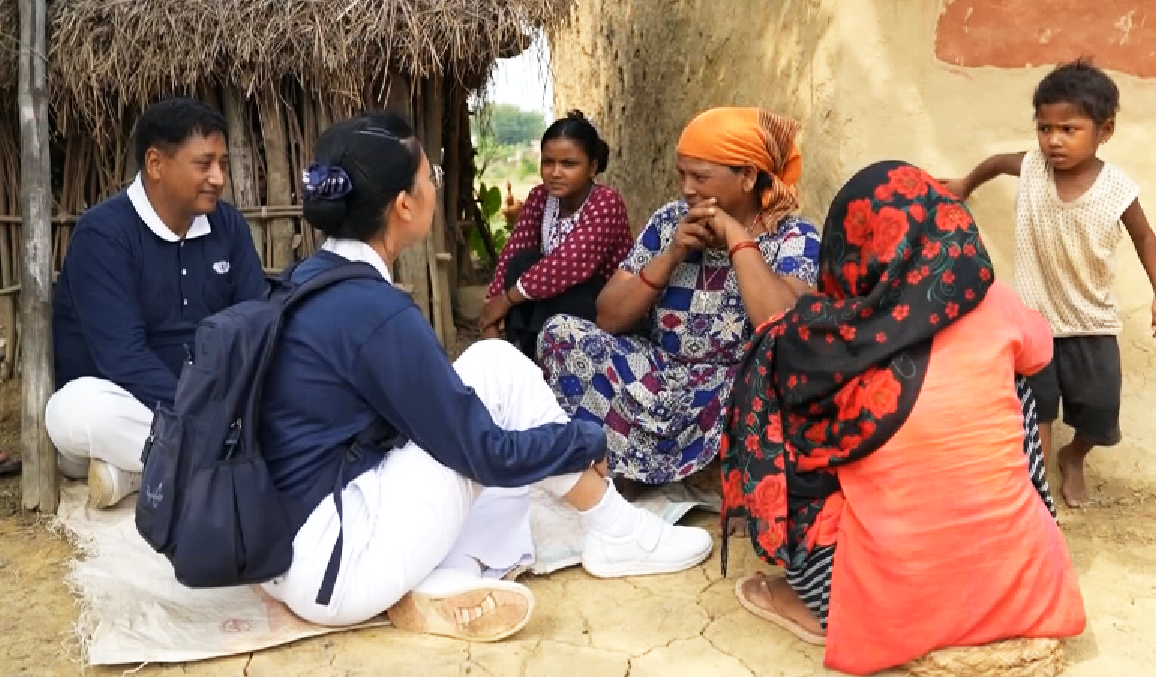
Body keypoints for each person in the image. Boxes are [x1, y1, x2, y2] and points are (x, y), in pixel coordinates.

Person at [258, 111, 713, 638]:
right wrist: (582, 438)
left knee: (483, 400)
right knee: (496, 375)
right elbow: (487, 454)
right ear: (404, 205)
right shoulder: (377, 311)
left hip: (287, 554)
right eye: (431, 177)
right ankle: (619, 531)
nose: (434, 187)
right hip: (338, 566)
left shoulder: (308, 278)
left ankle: (452, 574)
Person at [723, 161, 1085, 675]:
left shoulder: (818, 342)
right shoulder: (993, 302)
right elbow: (1041, 348)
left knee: (783, 419)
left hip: (882, 605)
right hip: (1025, 590)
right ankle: (1005, 554)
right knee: (1018, 384)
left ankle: (815, 604)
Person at [539, 107, 821, 485]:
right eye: (682, 174)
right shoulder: (669, 221)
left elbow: (785, 328)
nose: (687, 188)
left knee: (774, 377)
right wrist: (671, 255)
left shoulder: (794, 237)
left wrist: (738, 238)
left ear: (749, 177)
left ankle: (721, 474)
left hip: (728, 392)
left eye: (700, 177)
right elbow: (607, 317)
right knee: (560, 334)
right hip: (658, 377)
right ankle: (633, 468)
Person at [942, 59, 1156, 508]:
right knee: (1038, 410)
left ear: (1104, 130)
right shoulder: (1031, 168)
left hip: (1092, 322)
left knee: (1100, 416)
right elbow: (995, 163)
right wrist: (965, 184)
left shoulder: (1116, 189)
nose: (1054, 140)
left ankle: (1074, 455)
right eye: (1045, 128)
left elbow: (1145, 236)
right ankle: (1037, 495)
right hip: (1034, 319)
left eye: (1069, 129)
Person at [45, 98, 267, 508]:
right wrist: (209, 414)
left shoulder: (228, 225)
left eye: (222, 163)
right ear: (155, 164)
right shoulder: (105, 234)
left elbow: (257, 321)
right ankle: (230, 457)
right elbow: (123, 358)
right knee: (72, 411)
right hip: (129, 400)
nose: (218, 178)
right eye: (204, 164)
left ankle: (140, 470)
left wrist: (235, 398)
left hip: (212, 404)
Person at [480, 111, 633, 358]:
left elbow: (569, 265)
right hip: (553, 298)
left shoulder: (606, 203)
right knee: (522, 262)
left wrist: (506, 300)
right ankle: (523, 355)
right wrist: (491, 310)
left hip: (600, 304)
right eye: (548, 162)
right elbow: (514, 251)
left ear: (592, 167)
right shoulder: (540, 197)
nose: (555, 172)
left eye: (569, 164)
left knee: (563, 284)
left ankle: (541, 360)